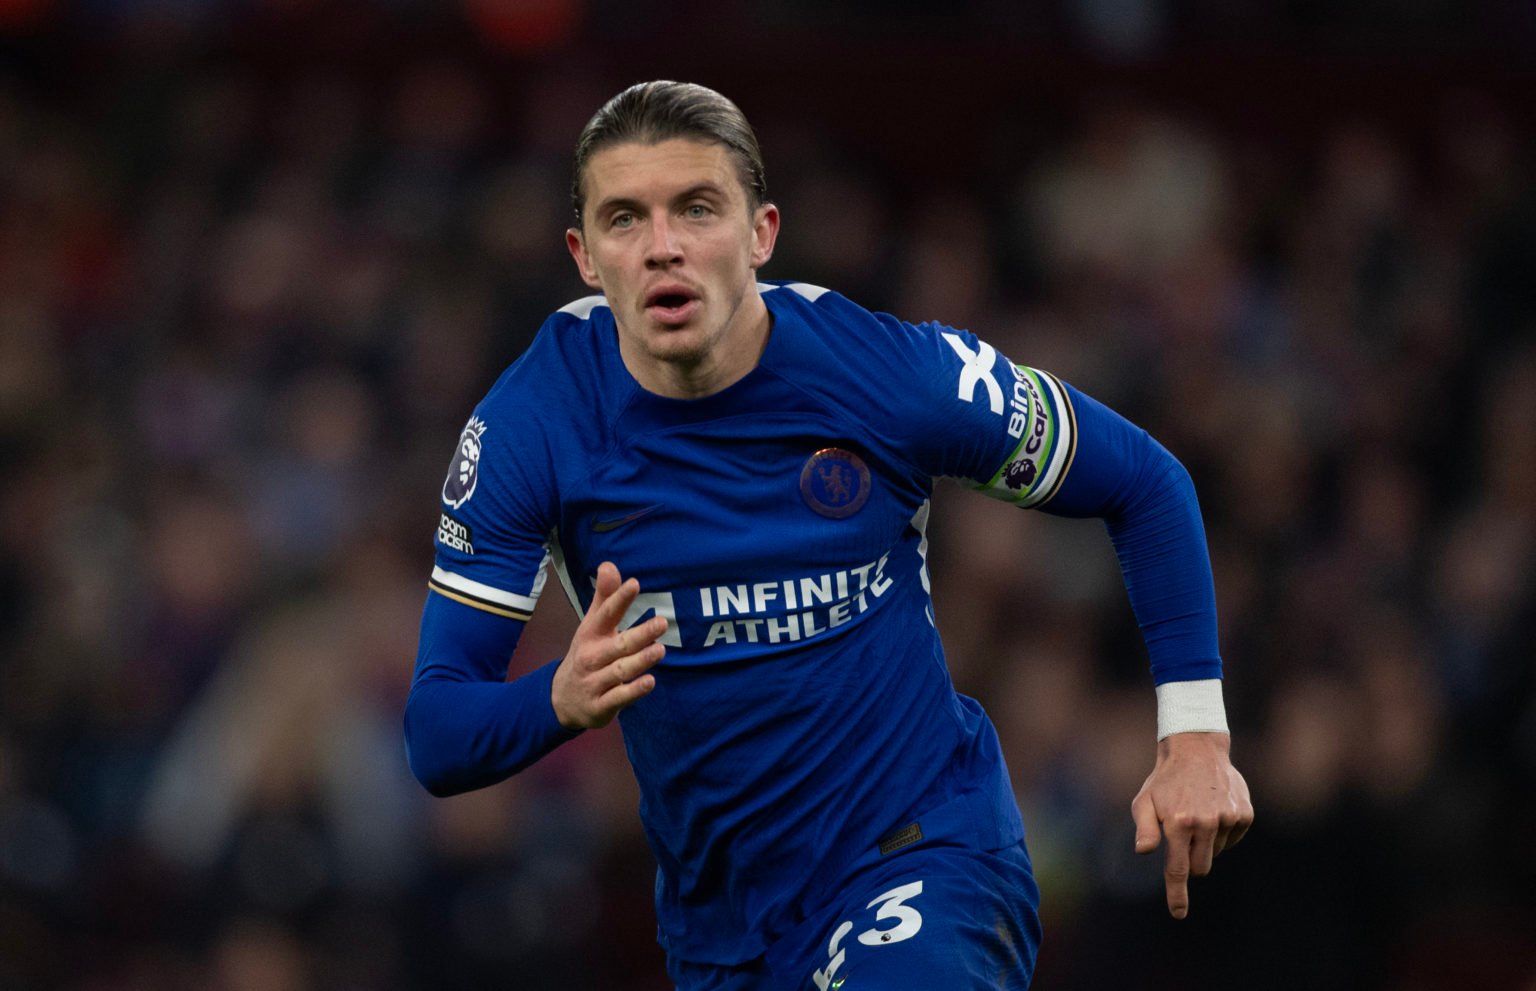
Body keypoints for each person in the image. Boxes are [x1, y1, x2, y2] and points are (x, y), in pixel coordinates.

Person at [404, 80, 1253, 990]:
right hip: (725, 930)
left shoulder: (889, 376)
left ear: (762, 233)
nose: (664, 248)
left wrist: (1195, 735)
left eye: (697, 209)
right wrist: (557, 701)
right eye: (625, 219)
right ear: (584, 255)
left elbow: (1145, 481)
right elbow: (438, 729)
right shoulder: (534, 426)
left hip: (923, 850)